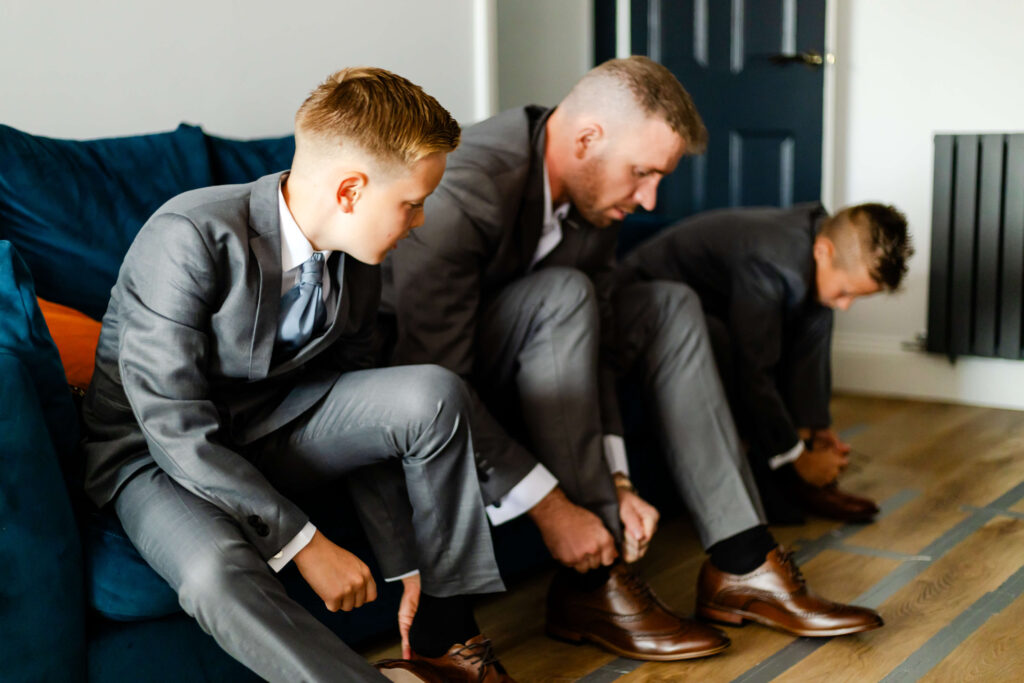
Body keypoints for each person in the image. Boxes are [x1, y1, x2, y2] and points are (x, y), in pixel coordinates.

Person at [380, 56, 883, 662]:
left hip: (537, 351)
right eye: (642, 173)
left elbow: (601, 338)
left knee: (669, 303)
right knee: (566, 293)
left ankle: (741, 562)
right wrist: (553, 506)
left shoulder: (595, 200)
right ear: (587, 139)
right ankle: (594, 583)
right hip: (422, 374)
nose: (649, 200)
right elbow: (438, 380)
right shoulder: (468, 188)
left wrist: (617, 478)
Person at [81, 67, 514, 683]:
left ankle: (447, 630)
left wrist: (404, 564)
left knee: (433, 393)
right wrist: (304, 543)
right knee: (213, 574)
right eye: (412, 205)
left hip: (277, 423)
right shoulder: (187, 235)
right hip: (151, 453)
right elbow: (172, 425)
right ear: (350, 191)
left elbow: (360, 410)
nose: (418, 223)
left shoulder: (358, 258)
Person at [619, 202, 913, 524]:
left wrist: (815, 427)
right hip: (637, 305)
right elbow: (754, 371)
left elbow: (810, 340)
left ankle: (796, 470)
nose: (846, 306)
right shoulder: (772, 261)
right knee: (727, 343)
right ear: (823, 251)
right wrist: (797, 458)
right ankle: (773, 476)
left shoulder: (818, 241)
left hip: (710, 307)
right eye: (846, 292)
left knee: (817, 312)